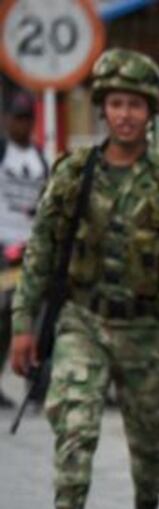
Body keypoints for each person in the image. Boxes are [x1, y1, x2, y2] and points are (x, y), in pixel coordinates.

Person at [9, 49, 159, 509]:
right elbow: (41, 251)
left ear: (152, 113)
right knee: (74, 426)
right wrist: (24, 325)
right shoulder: (75, 175)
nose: (125, 114)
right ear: (103, 109)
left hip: (149, 327)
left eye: (136, 105)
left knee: (149, 438)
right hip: (83, 320)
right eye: (116, 104)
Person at [0, 91, 48, 408]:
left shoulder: (41, 158)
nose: (22, 124)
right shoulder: (2, 152)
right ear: (7, 120)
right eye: (17, 118)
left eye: (27, 118)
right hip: (2, 250)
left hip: (32, 250)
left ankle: (36, 388)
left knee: (38, 319)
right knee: (4, 316)